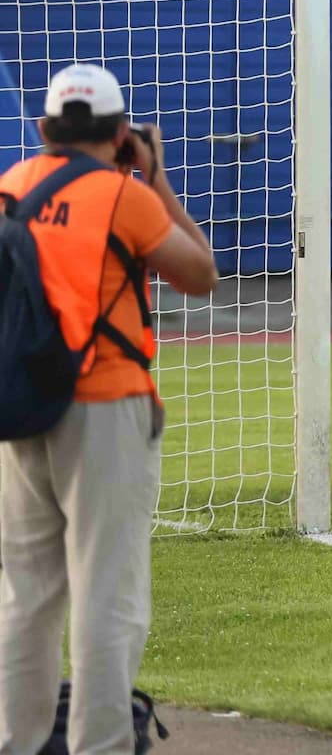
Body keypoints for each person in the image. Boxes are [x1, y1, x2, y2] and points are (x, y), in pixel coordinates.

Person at [0, 64, 218, 755]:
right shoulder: (124, 195)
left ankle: (18, 743)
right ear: (122, 134)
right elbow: (200, 273)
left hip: (19, 407)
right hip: (105, 406)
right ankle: (99, 747)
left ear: (43, 129)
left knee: (25, 596)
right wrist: (153, 177)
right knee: (106, 592)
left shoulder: (8, 189)